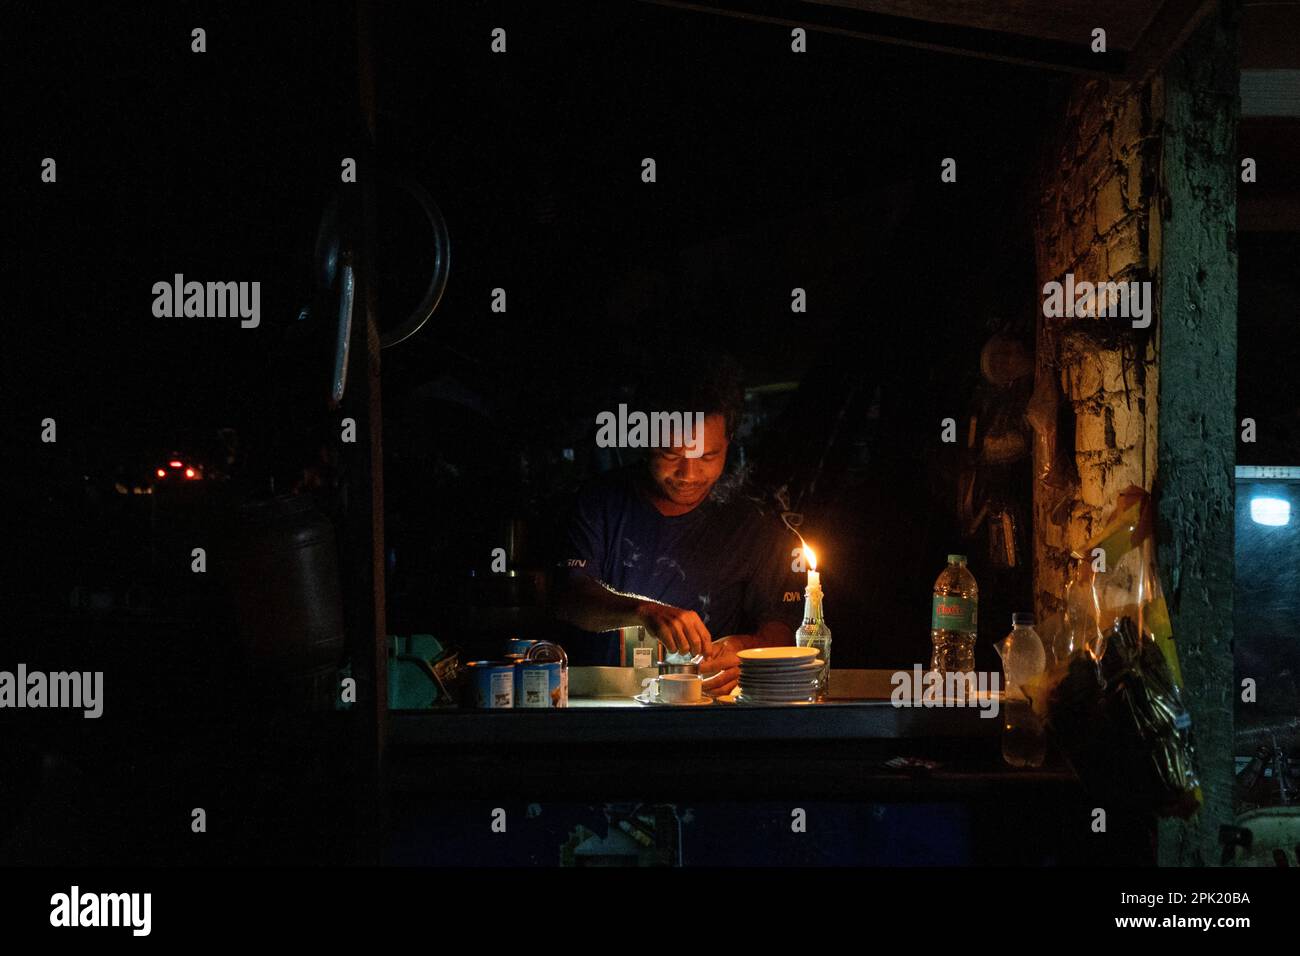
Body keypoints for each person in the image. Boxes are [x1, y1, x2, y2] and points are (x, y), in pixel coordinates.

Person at [552, 360, 801, 696]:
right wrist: (645, 612)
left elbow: (782, 630)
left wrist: (748, 652)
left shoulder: (752, 523)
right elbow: (568, 596)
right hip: (597, 701)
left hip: (703, 709)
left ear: (729, 440)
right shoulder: (600, 502)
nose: (689, 474)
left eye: (708, 456)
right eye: (671, 454)